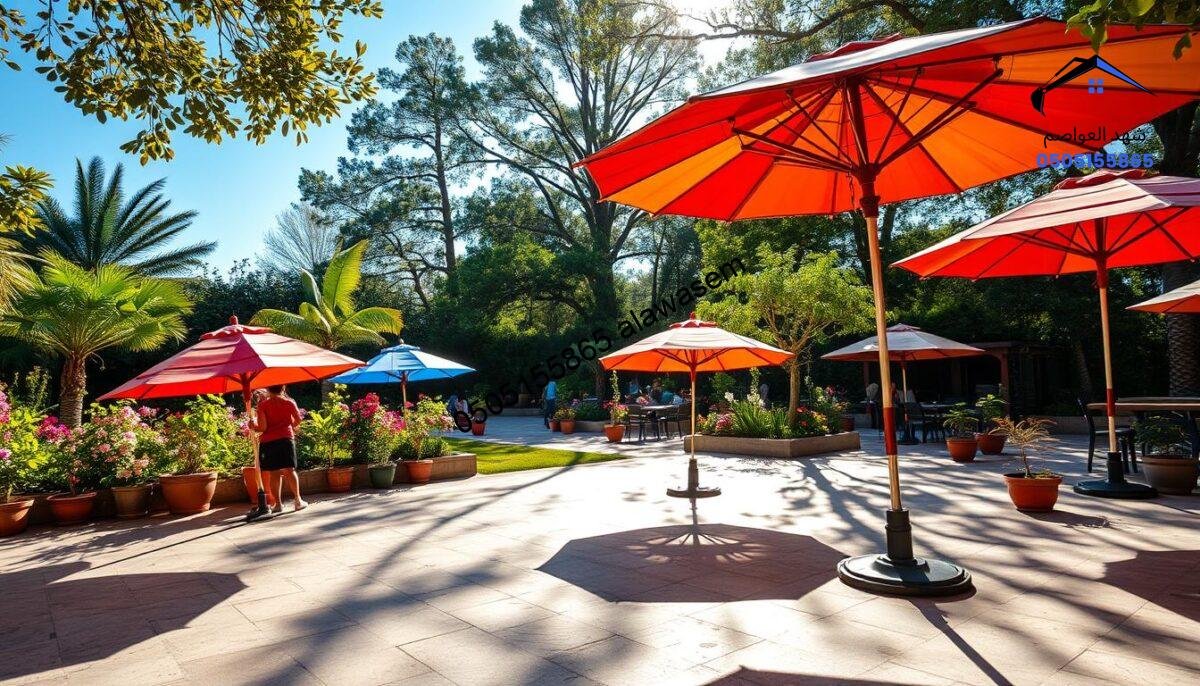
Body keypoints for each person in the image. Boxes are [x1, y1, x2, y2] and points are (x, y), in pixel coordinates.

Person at [251, 385, 306, 513]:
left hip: (269, 442)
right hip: (286, 439)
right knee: (290, 470)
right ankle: (298, 500)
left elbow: (263, 427)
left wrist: (253, 426)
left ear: (268, 390)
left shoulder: (263, 406)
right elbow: (298, 420)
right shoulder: (289, 403)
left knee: (274, 473)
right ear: (283, 389)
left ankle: (278, 505)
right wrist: (287, 427)